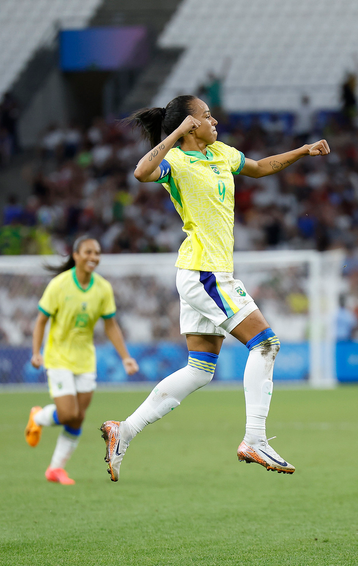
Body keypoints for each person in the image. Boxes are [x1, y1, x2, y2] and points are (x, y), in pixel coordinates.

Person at [99, 95, 330, 481]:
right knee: (267, 344)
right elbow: (141, 172)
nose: (215, 120)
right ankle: (254, 439)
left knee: (200, 369)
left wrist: (302, 151)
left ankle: (124, 430)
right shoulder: (174, 161)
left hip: (204, 272)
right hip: (205, 273)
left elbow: (257, 167)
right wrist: (174, 135)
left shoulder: (219, 152)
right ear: (190, 125)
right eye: (206, 116)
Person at [24, 237, 139, 485]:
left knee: (78, 417)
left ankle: (55, 469)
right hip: (58, 358)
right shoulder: (59, 285)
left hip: (85, 360)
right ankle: (39, 417)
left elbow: (111, 325)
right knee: (67, 414)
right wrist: (36, 352)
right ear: (75, 255)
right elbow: (41, 320)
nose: (93, 257)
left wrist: (126, 357)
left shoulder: (102, 288)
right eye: (88, 252)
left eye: (97, 253)